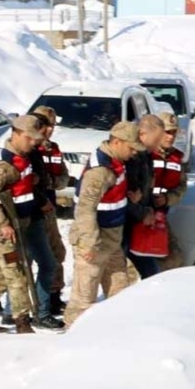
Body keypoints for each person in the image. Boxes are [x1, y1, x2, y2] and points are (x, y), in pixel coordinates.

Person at [63, 122, 145, 328]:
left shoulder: (116, 162)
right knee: (84, 299)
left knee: (120, 288)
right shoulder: (100, 172)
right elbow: (84, 209)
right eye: (131, 147)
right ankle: (75, 338)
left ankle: (113, 331)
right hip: (95, 241)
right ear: (116, 142)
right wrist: (89, 243)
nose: (134, 152)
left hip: (111, 239)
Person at [0, 115, 46, 334]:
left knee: (0, 273)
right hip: (4, 231)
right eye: (28, 138)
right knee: (16, 273)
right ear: (15, 134)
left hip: (19, 225)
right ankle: (22, 322)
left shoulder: (25, 159)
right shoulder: (3, 166)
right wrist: (4, 223)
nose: (33, 142)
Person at [29, 106, 70, 317]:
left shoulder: (53, 149)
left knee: (56, 253)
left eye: (51, 126)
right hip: (31, 209)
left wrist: (49, 182)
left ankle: (54, 296)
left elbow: (63, 178)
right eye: (45, 125)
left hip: (49, 207)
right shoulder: (29, 147)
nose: (48, 130)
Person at [123, 114, 166, 279]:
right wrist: (143, 212)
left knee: (151, 273)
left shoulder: (145, 156)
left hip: (139, 221)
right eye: (155, 141)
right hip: (125, 222)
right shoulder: (131, 157)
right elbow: (127, 195)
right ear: (142, 134)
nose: (157, 147)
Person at [153, 112, 188, 271]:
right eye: (168, 132)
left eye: (174, 132)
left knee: (174, 259)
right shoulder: (144, 154)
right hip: (138, 216)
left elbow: (181, 187)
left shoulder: (177, 157)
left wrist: (167, 199)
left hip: (160, 215)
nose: (171, 137)